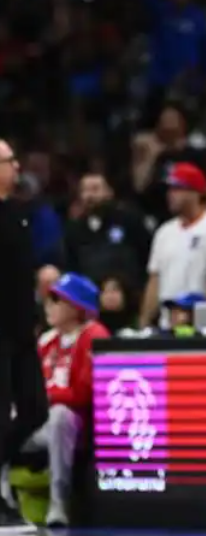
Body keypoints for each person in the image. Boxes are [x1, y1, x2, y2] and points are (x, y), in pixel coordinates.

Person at [28, 273, 109, 527]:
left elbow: (83, 394)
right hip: (39, 420)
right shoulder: (46, 340)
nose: (48, 305)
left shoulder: (94, 335)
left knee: (60, 416)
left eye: (56, 300)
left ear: (77, 307)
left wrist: (45, 397)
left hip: (77, 423)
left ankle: (59, 502)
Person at [0, 139, 48, 532]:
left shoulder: (17, 213)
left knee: (35, 409)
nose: (16, 166)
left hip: (21, 331)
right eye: (9, 160)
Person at [139, 162, 206, 327]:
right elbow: (155, 279)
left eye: (178, 189)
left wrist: (195, 310)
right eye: (170, 190)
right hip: (169, 324)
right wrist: (145, 320)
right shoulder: (164, 232)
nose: (171, 195)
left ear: (196, 193)